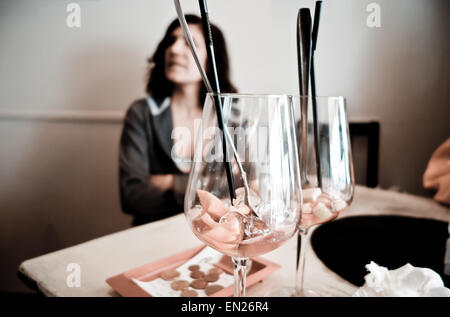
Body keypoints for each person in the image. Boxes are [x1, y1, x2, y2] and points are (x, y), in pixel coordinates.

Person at [119, 15, 237, 226]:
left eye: (190, 43)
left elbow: (237, 193)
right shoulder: (141, 113)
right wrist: (207, 190)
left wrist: (167, 182)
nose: (174, 49)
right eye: (171, 41)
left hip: (213, 238)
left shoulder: (231, 120)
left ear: (212, 61)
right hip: (149, 236)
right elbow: (132, 196)